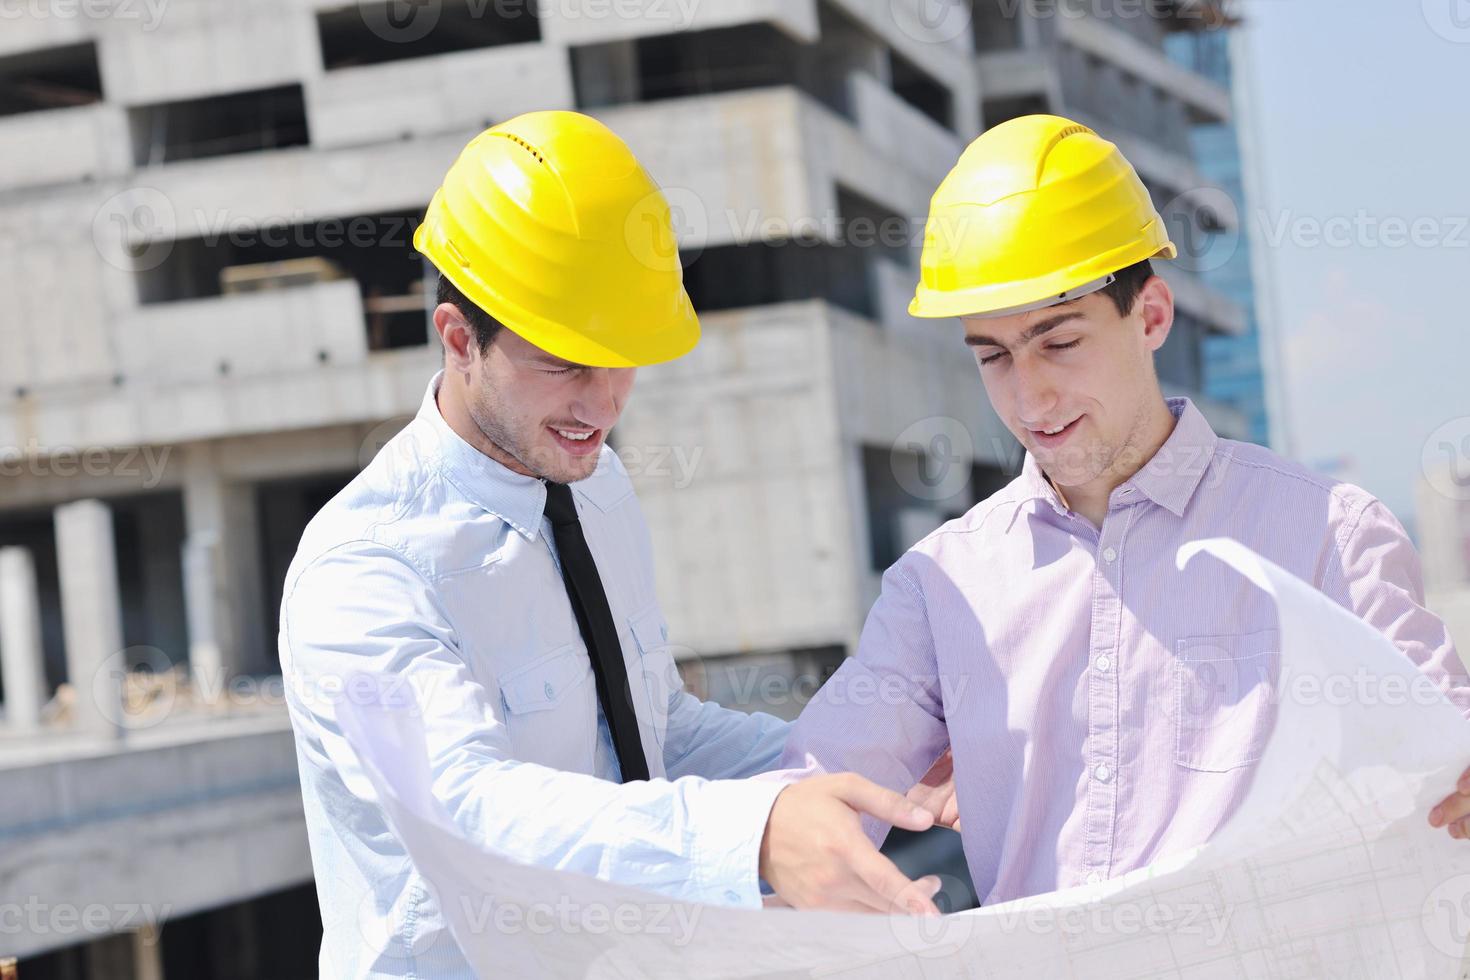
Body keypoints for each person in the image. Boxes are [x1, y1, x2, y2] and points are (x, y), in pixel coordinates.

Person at [279, 111, 947, 978]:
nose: (605, 404)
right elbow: (468, 815)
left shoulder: (596, 488)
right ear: (458, 340)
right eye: (566, 364)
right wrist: (752, 838)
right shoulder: (363, 569)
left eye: (624, 359)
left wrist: (873, 764)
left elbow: (650, 734)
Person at [779, 114, 1470, 906]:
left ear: (1150, 316)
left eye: (1058, 342)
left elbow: (1441, 772)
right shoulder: (940, 588)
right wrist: (791, 835)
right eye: (994, 357)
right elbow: (810, 793)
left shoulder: (1329, 538)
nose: (1028, 395)